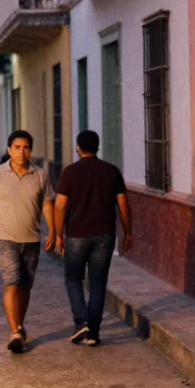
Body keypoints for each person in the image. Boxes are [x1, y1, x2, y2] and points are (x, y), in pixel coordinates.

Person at [0, 130, 55, 353]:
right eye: (17, 147)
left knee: (25, 286)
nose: (22, 151)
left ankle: (19, 325)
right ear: (9, 149)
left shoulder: (40, 175)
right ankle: (14, 332)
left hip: (31, 238)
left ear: (31, 149)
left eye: (26, 147)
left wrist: (53, 231)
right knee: (12, 282)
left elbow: (47, 204)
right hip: (5, 238)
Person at [54, 130, 133, 347]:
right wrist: (128, 232)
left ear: (78, 147)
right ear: (97, 147)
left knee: (73, 278)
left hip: (77, 235)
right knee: (98, 284)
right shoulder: (111, 172)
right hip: (105, 235)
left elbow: (59, 206)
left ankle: (81, 321)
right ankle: (94, 333)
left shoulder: (69, 173)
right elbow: (123, 205)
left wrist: (58, 234)